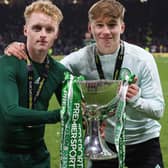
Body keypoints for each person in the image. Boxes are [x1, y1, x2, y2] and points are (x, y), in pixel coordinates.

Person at [4, 0, 165, 168]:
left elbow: (158, 110)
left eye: (112, 25)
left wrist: (136, 100)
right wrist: (16, 47)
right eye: (99, 25)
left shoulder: (143, 59)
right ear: (91, 29)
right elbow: (47, 65)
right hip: (104, 143)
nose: (106, 31)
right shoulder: (78, 60)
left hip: (144, 143)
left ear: (122, 27)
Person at [0, 0, 69, 168]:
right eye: (37, 28)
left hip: (38, 156)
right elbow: (10, 113)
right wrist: (57, 115)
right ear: (26, 30)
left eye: (49, 29)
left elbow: (72, 107)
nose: (43, 34)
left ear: (56, 33)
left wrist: (93, 118)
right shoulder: (8, 63)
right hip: (4, 156)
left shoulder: (59, 71)